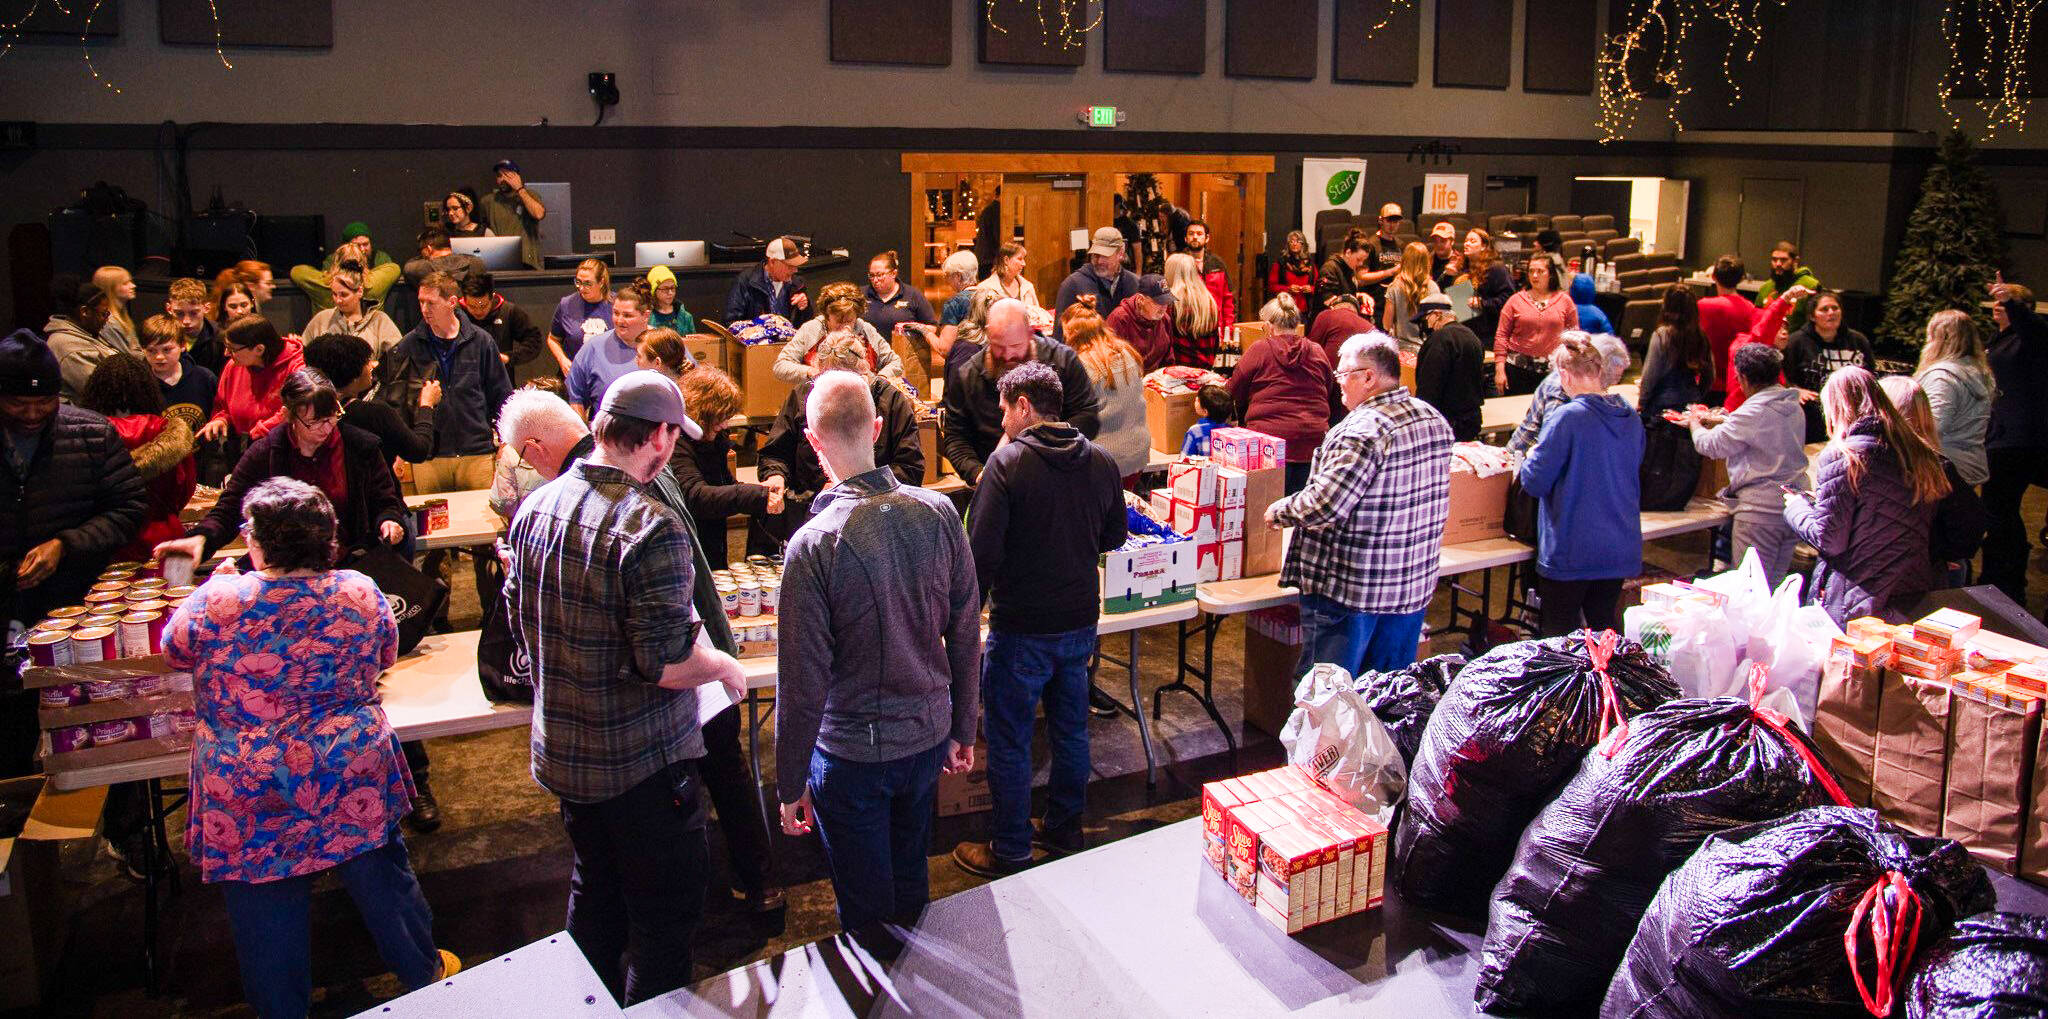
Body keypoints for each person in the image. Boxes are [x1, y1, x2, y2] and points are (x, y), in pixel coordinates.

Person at [162, 478, 456, 1019]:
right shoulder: (359, 591)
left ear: (255, 540)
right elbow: (387, 650)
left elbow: (174, 650)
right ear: (329, 540)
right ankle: (427, 979)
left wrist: (221, 588)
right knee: (384, 881)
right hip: (346, 767)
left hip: (250, 782)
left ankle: (283, 1010)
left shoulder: (217, 600)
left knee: (264, 906)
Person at [501, 371, 745, 1004]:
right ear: (659, 438)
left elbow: (519, 625)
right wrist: (721, 665)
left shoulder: (535, 507)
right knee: (663, 926)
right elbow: (664, 665)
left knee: (596, 898)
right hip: (641, 767)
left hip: (565, 757)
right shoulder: (651, 526)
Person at [775, 371, 981, 954]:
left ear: (814, 443)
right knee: (912, 877)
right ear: (880, 428)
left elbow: (802, 683)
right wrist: (964, 726)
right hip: (926, 740)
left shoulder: (813, 543)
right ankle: (920, 978)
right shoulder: (940, 512)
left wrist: (790, 781)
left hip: (852, 756)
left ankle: (886, 990)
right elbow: (967, 632)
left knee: (865, 906)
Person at [951, 361, 1124, 878]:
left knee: (1009, 739)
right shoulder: (1101, 461)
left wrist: (962, 628)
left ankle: (1009, 849)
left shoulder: (1006, 466)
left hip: (1021, 627)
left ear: (1024, 406)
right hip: (1078, 624)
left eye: (1004, 410)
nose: (1002, 421)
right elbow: (1114, 538)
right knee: (1071, 731)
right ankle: (1065, 830)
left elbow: (979, 556)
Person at [1264, 332, 1452, 674]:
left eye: (1342, 375)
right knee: (1387, 697)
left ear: (1368, 377)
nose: (1338, 384)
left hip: (1352, 591)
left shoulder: (1362, 430)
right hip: (1410, 585)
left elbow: (1326, 505)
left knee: (1330, 701)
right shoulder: (1433, 419)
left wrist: (1279, 510)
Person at [160, 368, 409, 567]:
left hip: (346, 565)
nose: (326, 428)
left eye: (332, 416)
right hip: (281, 570)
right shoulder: (264, 452)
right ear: (287, 416)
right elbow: (228, 509)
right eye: (314, 422)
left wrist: (388, 521)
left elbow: (385, 501)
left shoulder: (360, 447)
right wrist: (201, 539)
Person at [0, 331, 145, 635]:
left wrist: (64, 544)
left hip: (75, 606)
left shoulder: (92, 433)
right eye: (18, 403)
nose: (32, 414)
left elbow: (129, 509)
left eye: (44, 401)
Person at [1785, 368, 1953, 624]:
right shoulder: (1921, 454)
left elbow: (1829, 539)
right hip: (1911, 588)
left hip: (1859, 593)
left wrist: (1796, 507)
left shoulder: (1844, 455)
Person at [1517, 336, 1645, 636]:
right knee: (1605, 637)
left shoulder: (1568, 417)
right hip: (1618, 547)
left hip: (1573, 550)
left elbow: (1534, 481)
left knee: (1561, 641)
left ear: (1563, 374)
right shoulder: (1629, 416)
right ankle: (1608, 685)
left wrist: (1531, 457)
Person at [757, 332, 923, 542]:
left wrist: (854, 489)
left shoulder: (890, 401)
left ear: (864, 372)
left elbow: (910, 469)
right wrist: (775, 475)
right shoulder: (802, 396)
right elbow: (775, 454)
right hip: (811, 515)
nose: (837, 392)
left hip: (876, 520)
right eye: (829, 381)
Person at [1680, 343, 1809, 587]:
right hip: (1792, 508)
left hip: (1760, 514)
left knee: (1751, 590)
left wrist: (1694, 423)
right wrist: (1728, 420)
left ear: (1743, 378)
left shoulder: (1753, 412)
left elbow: (1710, 445)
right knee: (1774, 589)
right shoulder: (1791, 404)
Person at [942, 298, 1101, 486]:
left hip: (1060, 477)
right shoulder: (968, 375)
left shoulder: (1063, 361)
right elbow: (955, 437)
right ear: (987, 335)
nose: (1008, 355)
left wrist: (1038, 442)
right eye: (999, 346)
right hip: (999, 483)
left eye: (1016, 346)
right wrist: (978, 474)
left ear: (1030, 333)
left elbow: (1088, 416)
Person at [381, 271, 513, 493]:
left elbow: (502, 396)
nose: (424, 309)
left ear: (452, 302)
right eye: (421, 302)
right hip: (429, 455)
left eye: (431, 303)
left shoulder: (481, 341)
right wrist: (398, 450)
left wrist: (506, 441)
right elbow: (396, 403)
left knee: (479, 522)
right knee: (432, 525)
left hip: (476, 452)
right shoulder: (409, 345)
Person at [78, 354, 196, 561]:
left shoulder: (85, 432)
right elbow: (185, 489)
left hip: (104, 542)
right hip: (164, 540)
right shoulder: (167, 428)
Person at [1227, 294, 1343, 493]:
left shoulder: (1260, 349)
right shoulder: (1317, 351)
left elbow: (1232, 390)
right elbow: (1332, 392)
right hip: (1312, 443)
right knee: (1301, 510)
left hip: (1268, 445)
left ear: (1270, 326)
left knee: (1267, 512)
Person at [1878, 374, 1989, 582]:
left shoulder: (1864, 463)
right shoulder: (1935, 466)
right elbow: (1972, 522)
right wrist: (1944, 553)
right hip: (1925, 570)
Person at [670, 367, 777, 569]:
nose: (725, 424)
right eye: (721, 417)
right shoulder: (677, 442)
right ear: (701, 411)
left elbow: (724, 484)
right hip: (688, 550)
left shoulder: (714, 438)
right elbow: (695, 496)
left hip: (713, 542)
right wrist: (754, 495)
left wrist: (762, 492)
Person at [1983, 278, 2048, 606]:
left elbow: (2032, 326)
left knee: (2001, 508)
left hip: (2019, 440)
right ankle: (1999, 573)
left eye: (2007, 301)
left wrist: (2011, 301)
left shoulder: (2032, 336)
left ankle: (2007, 579)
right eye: (1996, 300)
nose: (1998, 304)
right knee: (1998, 508)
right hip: (2001, 435)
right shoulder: (2002, 337)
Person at [302, 332, 441, 477]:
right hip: (378, 495)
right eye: (366, 361)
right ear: (353, 375)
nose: (372, 365)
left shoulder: (307, 414)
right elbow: (418, 451)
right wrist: (426, 405)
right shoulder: (375, 414)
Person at [1064, 301, 1150, 481]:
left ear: (1073, 333)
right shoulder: (1126, 351)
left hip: (1105, 461)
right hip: (1138, 453)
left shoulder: (1081, 364)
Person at [1782, 289, 1875, 442]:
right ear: (1812, 316)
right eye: (1824, 309)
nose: (1831, 312)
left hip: (1851, 414)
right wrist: (1795, 390)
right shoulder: (1796, 342)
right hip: (1813, 415)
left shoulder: (1858, 340)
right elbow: (1782, 377)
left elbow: (1870, 375)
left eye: (1835, 308)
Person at [1914, 309, 1993, 488]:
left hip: (1945, 469)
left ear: (1943, 338)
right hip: (1967, 463)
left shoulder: (1942, 377)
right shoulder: (1977, 371)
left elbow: (1933, 426)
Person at [200, 315, 303, 447]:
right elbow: (223, 406)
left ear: (259, 349)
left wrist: (260, 432)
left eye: (232, 349)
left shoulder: (296, 367)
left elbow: (294, 411)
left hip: (282, 447)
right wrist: (221, 419)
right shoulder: (234, 365)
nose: (226, 353)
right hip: (243, 445)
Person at [774, 282, 904, 384]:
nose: (845, 327)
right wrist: (810, 371)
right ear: (826, 316)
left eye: (850, 321)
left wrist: (878, 380)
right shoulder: (811, 330)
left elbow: (896, 363)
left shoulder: (865, 329)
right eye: (839, 321)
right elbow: (780, 366)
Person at [1495, 252, 1579, 396]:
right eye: (1531, 271)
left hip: (1552, 371)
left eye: (1540, 271)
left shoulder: (1565, 301)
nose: (1534, 276)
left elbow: (1574, 337)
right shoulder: (1515, 300)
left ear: (1550, 274)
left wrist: (1572, 370)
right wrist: (1499, 370)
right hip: (1517, 370)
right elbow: (1502, 336)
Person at [568, 281, 657, 416]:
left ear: (646, 315)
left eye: (627, 315)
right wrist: (585, 435)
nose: (619, 320)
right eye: (616, 313)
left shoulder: (666, 344)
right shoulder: (593, 348)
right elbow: (575, 397)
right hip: (608, 434)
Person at [1412, 292, 1486, 442]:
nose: (1425, 325)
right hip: (1471, 421)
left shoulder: (1439, 340)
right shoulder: (1472, 336)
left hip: (1445, 423)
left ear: (1437, 314)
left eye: (1425, 318)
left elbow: (1429, 387)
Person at [44, 273, 129, 401]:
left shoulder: (87, 332)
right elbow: (106, 394)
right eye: (104, 313)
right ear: (85, 312)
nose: (107, 319)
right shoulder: (71, 349)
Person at [1720, 286, 1805, 413]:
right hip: (1742, 416)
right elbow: (1762, 333)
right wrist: (1784, 300)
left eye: (1786, 328)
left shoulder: (1772, 355)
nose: (1784, 333)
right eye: (1778, 327)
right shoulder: (1744, 347)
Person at [460, 271, 549, 385]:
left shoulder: (508, 311)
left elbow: (534, 340)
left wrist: (508, 357)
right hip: (465, 384)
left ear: (492, 297)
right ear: (464, 300)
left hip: (500, 383)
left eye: (483, 306)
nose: (478, 311)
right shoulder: (456, 314)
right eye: (472, 306)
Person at [1637, 287, 1714, 415]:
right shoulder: (1700, 335)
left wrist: (1642, 402)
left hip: (1662, 405)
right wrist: (1698, 394)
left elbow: (1651, 374)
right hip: (1691, 403)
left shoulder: (1662, 335)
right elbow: (1710, 374)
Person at [1053, 227, 1139, 341]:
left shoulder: (1134, 284)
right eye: (1095, 255)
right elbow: (1060, 337)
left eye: (1105, 256)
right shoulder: (1072, 285)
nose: (1099, 261)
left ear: (1121, 254)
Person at [290, 225, 399, 311]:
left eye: (365, 244)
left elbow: (297, 272)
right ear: (363, 263)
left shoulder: (323, 285)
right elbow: (394, 268)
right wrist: (367, 274)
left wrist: (328, 276)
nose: (363, 249)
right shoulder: (374, 284)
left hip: (330, 338)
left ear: (336, 263)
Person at [303, 262, 402, 355]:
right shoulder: (322, 319)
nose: (338, 300)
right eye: (334, 294)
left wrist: (378, 367)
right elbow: (302, 354)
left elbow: (398, 356)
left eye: (344, 295)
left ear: (359, 291)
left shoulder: (379, 320)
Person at [1698, 255, 1760, 403]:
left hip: (1706, 383)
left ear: (1713, 276)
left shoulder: (1702, 305)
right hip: (1737, 386)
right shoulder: (1751, 309)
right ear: (1741, 279)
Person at [141, 313, 218, 426]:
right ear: (143, 350)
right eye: (151, 350)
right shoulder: (140, 384)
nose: (159, 357)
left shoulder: (204, 378)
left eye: (167, 350)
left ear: (183, 346)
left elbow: (221, 411)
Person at [548, 259, 615, 380]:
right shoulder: (566, 304)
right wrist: (562, 360)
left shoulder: (617, 304)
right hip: (576, 376)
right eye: (578, 282)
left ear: (601, 282)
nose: (581, 288)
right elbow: (553, 339)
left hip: (608, 374)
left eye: (588, 283)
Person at [861, 250, 939, 354]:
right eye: (872, 275)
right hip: (868, 359)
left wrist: (911, 330)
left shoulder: (912, 295)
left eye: (879, 275)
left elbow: (932, 327)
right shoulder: (861, 295)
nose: (875, 280)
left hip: (902, 358)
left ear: (893, 273)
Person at [723, 236, 812, 326]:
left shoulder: (797, 284)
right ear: (772, 262)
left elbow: (807, 326)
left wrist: (804, 308)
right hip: (756, 339)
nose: (795, 270)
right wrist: (759, 325)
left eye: (795, 265)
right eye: (789, 266)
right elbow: (731, 322)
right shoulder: (745, 282)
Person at [1459, 229, 1516, 356]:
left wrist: (1483, 303)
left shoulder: (1496, 268)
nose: (1467, 244)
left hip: (1487, 335)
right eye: (1466, 240)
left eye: (1472, 241)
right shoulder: (1462, 269)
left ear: (1484, 246)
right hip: (1466, 331)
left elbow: (1508, 298)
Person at [1103, 274, 1177, 371]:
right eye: (1159, 302)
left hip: (1158, 381)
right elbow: (1109, 361)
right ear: (1141, 300)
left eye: (1167, 302)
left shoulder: (1165, 319)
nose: (1164, 308)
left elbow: (1169, 359)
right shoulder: (1119, 319)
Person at [485, 159, 547, 269]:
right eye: (499, 176)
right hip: (499, 260)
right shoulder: (489, 201)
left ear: (517, 177)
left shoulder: (530, 195)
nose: (502, 179)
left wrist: (520, 189)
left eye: (507, 175)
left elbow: (538, 214)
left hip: (527, 261)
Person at [1165, 251, 1223, 369]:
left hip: (1177, 373)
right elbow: (1216, 342)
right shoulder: (1209, 301)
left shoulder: (1170, 304)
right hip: (1205, 371)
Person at [1380, 241, 1439, 351]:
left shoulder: (1394, 287)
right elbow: (1436, 325)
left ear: (1404, 260)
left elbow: (1386, 324)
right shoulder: (1433, 288)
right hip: (1426, 350)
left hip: (1402, 351)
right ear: (1426, 262)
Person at [1755, 241, 1821, 331]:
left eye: (1783, 260)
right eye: (1774, 259)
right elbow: (1756, 322)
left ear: (1795, 261)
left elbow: (1816, 324)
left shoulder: (1811, 285)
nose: (1778, 264)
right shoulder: (1765, 288)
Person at [1184, 218, 1236, 331]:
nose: (1195, 237)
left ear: (1207, 238)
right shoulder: (1179, 264)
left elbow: (1228, 299)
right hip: (1188, 328)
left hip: (1216, 328)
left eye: (1199, 233)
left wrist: (1228, 328)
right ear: (1185, 238)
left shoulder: (1218, 264)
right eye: (1191, 233)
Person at [166, 276, 225, 375]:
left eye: (194, 313)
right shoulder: (160, 335)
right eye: (179, 313)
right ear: (169, 309)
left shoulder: (221, 339)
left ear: (206, 308)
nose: (186, 321)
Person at [934, 250, 984, 365]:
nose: (946, 281)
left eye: (948, 276)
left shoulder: (954, 304)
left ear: (958, 276)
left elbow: (944, 349)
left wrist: (926, 333)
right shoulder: (993, 297)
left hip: (963, 369)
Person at [1306, 290, 1376, 367]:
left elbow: (1310, 350)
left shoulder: (1327, 315)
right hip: (1358, 375)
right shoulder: (1370, 328)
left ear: (1333, 307)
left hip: (1326, 374)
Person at [1315, 232, 1372, 325]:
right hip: (1327, 324)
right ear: (1348, 252)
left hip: (1343, 321)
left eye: (1363, 260)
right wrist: (1354, 305)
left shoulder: (1350, 268)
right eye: (1358, 259)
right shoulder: (1329, 269)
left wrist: (1360, 296)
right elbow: (1328, 300)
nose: (1361, 264)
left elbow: (1344, 292)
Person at [400, 227, 487, 288]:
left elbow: (408, 267)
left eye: (420, 250)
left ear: (429, 249)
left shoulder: (422, 268)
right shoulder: (476, 262)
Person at [1358, 203, 1406, 304]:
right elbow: (1361, 278)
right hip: (1376, 302)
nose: (1392, 225)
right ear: (1381, 221)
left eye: (1396, 221)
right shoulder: (1370, 245)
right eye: (1389, 221)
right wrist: (1391, 272)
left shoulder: (1401, 245)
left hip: (1396, 301)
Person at [977, 241, 1040, 308]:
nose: (1024, 264)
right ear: (1006, 260)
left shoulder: (1027, 287)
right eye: (1019, 259)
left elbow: (1039, 314)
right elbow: (980, 316)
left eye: (1023, 259)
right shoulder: (985, 288)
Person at [1267, 229, 1317, 312]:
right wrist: (1288, 289)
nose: (1294, 244)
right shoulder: (1281, 263)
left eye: (1298, 241)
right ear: (1288, 245)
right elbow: (1272, 286)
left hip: (1306, 309)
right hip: (1286, 309)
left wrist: (1311, 289)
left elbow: (1318, 286)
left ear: (1303, 244)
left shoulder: (1310, 264)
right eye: (1291, 241)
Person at [93, 265, 139, 351]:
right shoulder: (108, 322)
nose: (133, 286)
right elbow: (127, 357)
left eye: (130, 281)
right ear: (110, 288)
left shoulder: (122, 318)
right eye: (125, 283)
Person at [643, 264, 698, 336]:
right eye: (665, 289)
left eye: (672, 288)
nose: (670, 293)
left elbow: (694, 344)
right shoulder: (646, 317)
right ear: (654, 291)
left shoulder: (686, 317)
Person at [1182, 384, 1232, 457]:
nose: (1195, 399)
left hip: (1202, 468)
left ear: (1205, 411)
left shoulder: (1195, 431)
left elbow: (1184, 459)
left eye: (1198, 400)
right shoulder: (1230, 430)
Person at [1569, 270, 1612, 334]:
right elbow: (1610, 335)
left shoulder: (1566, 310)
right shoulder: (1598, 313)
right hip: (1592, 342)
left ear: (1572, 289)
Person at [1427, 222, 1463, 290]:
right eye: (1435, 241)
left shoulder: (1461, 263)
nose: (1439, 244)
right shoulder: (1427, 261)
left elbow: (1462, 295)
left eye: (1443, 241)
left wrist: (1452, 277)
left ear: (1452, 241)